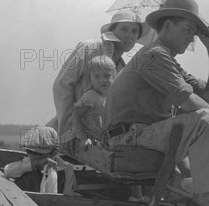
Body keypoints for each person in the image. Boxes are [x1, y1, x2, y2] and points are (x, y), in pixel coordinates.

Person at [103, 0, 209, 206]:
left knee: (208, 113)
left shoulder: (167, 60)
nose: (191, 38)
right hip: (129, 139)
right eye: (188, 30)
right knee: (206, 117)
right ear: (168, 25)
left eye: (194, 34)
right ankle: (205, 202)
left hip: (138, 136)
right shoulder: (153, 56)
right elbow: (194, 105)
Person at [61, 55, 146, 201]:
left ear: (114, 76)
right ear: (90, 78)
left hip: (100, 138)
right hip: (80, 138)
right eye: (97, 76)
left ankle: (137, 194)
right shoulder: (91, 96)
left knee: (130, 151)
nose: (102, 80)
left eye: (107, 75)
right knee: (120, 156)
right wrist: (83, 138)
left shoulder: (111, 98)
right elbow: (75, 117)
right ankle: (136, 194)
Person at [51, 10, 148, 139]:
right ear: (112, 31)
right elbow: (62, 85)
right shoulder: (90, 48)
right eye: (124, 29)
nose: (129, 35)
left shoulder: (122, 68)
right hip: (69, 127)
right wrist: (68, 126)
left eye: (134, 31)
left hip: (95, 135)